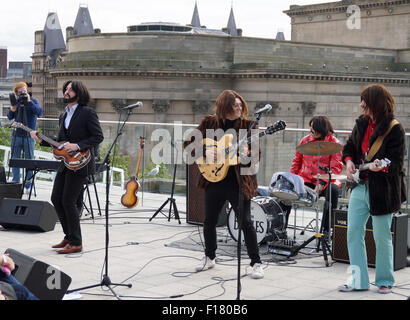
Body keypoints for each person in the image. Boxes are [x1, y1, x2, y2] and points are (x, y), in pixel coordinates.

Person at [184, 89, 264, 279]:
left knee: (245, 222)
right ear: (225, 106)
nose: (239, 108)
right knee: (209, 221)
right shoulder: (210, 122)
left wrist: (245, 153)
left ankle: (256, 262)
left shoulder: (248, 125)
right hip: (213, 179)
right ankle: (210, 257)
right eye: (235, 105)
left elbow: (255, 155)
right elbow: (188, 143)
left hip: (238, 182)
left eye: (240, 105)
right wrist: (205, 150)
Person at [338, 84, 406, 294]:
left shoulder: (395, 128)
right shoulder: (361, 123)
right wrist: (349, 162)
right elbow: (349, 148)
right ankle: (358, 280)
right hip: (360, 185)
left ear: (374, 103)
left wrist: (381, 168)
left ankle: (385, 280)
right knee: (353, 232)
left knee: (381, 235)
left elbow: (396, 163)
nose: (361, 105)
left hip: (383, 189)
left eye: (364, 101)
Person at [30, 80, 104, 254]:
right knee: (56, 198)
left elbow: (97, 136)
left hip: (82, 162)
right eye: (66, 89)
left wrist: (78, 146)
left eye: (70, 89)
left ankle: (76, 242)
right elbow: (61, 143)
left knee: (68, 201)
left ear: (79, 93)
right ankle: (68, 236)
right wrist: (41, 140)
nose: (66, 92)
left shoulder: (87, 112)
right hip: (67, 163)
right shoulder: (63, 115)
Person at [289, 116, 343, 233]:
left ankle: (326, 229)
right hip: (306, 179)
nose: (311, 131)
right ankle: (280, 229)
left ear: (322, 130)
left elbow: (335, 168)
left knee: (332, 190)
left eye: (314, 130)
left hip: (325, 181)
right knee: (285, 191)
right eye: (310, 128)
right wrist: (292, 178)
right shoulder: (305, 140)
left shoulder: (334, 143)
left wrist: (322, 183)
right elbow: (296, 161)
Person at [7, 82, 43, 193]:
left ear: (27, 91)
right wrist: (12, 109)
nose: (23, 93)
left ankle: (28, 185)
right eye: (20, 92)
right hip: (16, 135)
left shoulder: (33, 101)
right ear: (16, 93)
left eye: (24, 91)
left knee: (29, 161)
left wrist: (29, 101)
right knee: (16, 160)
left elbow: (39, 112)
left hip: (29, 135)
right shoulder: (16, 103)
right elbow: (9, 117)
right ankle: (16, 183)